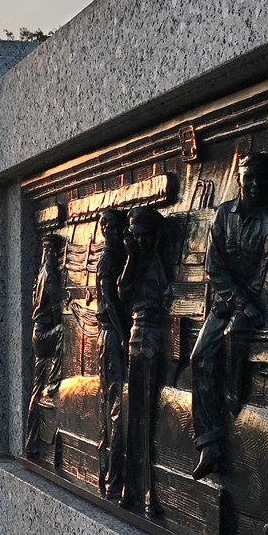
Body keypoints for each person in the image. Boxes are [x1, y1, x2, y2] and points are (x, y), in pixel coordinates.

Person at [190, 152, 268, 479]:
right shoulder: (223, 215)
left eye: (259, 178)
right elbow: (213, 268)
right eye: (248, 177)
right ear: (239, 180)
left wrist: (248, 301)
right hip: (226, 303)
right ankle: (208, 443)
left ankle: (233, 395)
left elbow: (266, 271)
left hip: (253, 306)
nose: (253, 184)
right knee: (199, 357)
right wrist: (239, 299)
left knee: (234, 339)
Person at [117, 206, 171, 514]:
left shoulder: (157, 261)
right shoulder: (136, 263)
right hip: (139, 339)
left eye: (142, 237)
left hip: (155, 339)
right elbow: (123, 294)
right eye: (134, 238)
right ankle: (133, 488)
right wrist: (131, 257)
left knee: (148, 416)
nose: (137, 243)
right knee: (135, 416)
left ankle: (149, 491)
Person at [96, 209, 130, 499]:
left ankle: (110, 476)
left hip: (114, 336)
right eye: (113, 228)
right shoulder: (109, 259)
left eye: (122, 228)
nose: (118, 233)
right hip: (112, 338)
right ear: (104, 230)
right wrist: (124, 337)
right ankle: (111, 479)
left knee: (116, 408)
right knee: (117, 408)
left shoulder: (120, 256)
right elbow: (110, 303)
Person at [24, 234, 67, 457]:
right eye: (57, 253)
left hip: (37, 332)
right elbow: (56, 309)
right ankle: (55, 380)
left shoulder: (40, 272)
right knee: (65, 331)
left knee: (35, 388)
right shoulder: (50, 274)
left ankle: (31, 442)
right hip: (45, 333)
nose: (58, 257)